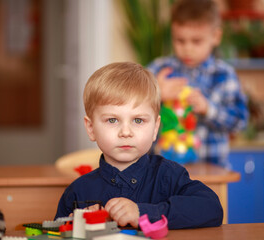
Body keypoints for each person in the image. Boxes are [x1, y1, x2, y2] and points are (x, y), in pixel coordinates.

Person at [55, 62, 223, 229]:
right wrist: (73, 227)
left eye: (138, 120)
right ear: (91, 128)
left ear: (155, 128)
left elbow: (212, 209)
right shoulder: (77, 192)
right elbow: (56, 233)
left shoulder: (168, 176)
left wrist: (143, 213)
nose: (126, 132)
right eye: (112, 120)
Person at [147, 0, 248, 167]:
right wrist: (156, 94)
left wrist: (209, 109)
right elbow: (129, 104)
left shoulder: (224, 75)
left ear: (215, 37)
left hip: (212, 170)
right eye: (180, 40)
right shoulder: (159, 69)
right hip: (161, 169)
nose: (187, 48)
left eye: (196, 41)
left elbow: (240, 121)